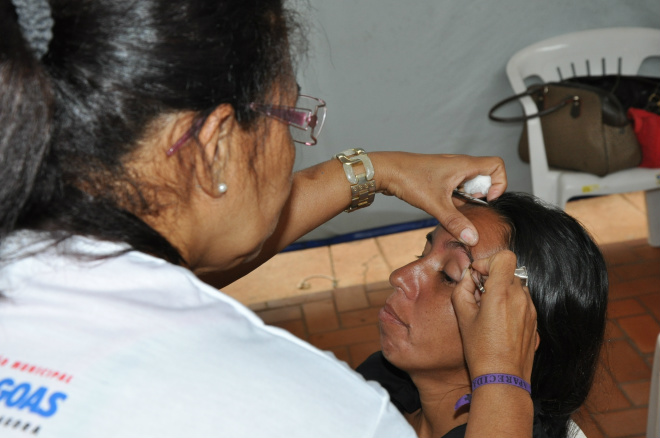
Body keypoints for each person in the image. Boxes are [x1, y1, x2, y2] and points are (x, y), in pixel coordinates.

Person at [0, 0, 537, 436]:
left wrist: (380, 170)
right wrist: (504, 381)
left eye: (448, 273)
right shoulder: (318, 412)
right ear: (215, 146)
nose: (401, 275)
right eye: (291, 115)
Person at [357, 192, 609, 438]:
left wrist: (499, 375)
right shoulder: (380, 386)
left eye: (449, 276)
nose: (399, 276)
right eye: (421, 255)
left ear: (518, 331)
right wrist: (380, 175)